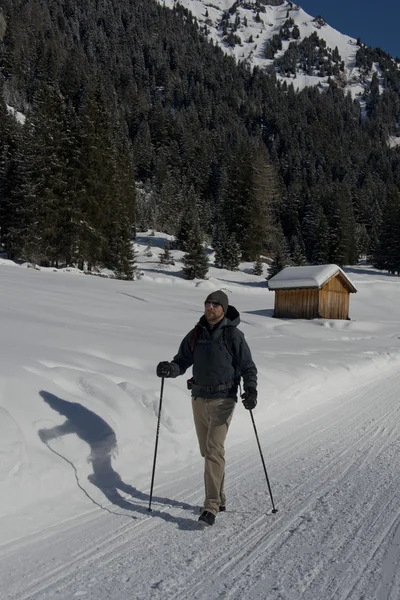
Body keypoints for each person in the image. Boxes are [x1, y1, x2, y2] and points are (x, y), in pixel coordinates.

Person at [156, 290, 257, 526]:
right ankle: (220, 498)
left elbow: (248, 366)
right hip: (199, 398)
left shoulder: (233, 335)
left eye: (215, 304)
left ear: (223, 309)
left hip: (224, 399)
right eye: (207, 303)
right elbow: (181, 361)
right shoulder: (195, 335)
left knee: (213, 449)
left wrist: (251, 390)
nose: (210, 307)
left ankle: (210, 506)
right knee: (207, 451)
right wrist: (169, 369)